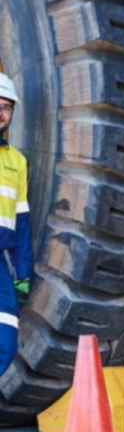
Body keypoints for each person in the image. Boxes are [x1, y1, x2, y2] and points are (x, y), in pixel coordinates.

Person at [0, 73, 33, 377]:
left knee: (5, 342)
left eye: (6, 107)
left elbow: (21, 223)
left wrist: (23, 273)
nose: (1, 113)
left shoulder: (17, 162)